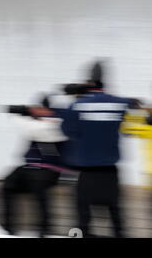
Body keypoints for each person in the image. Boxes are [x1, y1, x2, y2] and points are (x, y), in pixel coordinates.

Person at [60, 60, 138, 238]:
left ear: (88, 82)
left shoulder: (78, 105)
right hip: (111, 173)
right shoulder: (120, 103)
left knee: (83, 221)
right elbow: (130, 130)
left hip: (87, 174)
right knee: (117, 219)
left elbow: (67, 131)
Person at [0, 104, 70, 237]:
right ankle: (8, 228)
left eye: (39, 108)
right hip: (29, 166)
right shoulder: (35, 122)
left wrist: (22, 117)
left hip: (50, 169)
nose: (35, 111)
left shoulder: (58, 122)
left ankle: (44, 228)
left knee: (38, 185)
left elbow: (38, 130)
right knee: (8, 183)